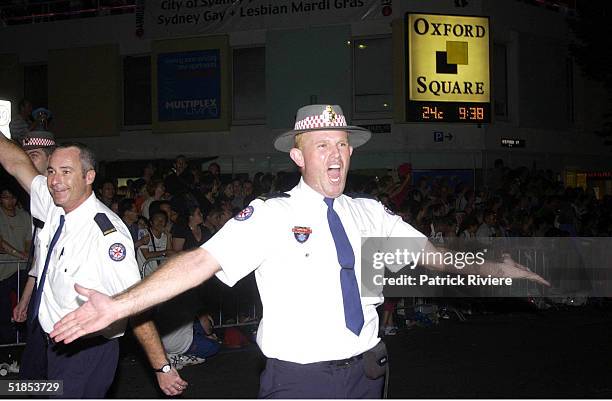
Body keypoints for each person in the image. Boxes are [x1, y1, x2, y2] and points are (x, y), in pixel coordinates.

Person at [49, 105, 549, 399]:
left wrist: (496, 266)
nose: (335, 154)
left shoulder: (370, 213)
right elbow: (198, 261)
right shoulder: (270, 215)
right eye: (322, 145)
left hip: (368, 370)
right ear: (298, 156)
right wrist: (120, 304)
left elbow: (432, 255)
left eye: (343, 145)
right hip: (300, 382)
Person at [0, 133, 187, 397]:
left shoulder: (106, 234)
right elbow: (16, 162)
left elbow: (133, 304)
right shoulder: (53, 204)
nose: (55, 180)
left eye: (66, 172)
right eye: (51, 171)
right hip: (47, 339)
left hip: (85, 351)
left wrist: (161, 366)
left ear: (89, 177)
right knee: (25, 390)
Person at [0, 186, 31, 343]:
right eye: (6, 197)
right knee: (3, 311)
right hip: (2, 271)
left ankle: (24, 341)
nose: (10, 201)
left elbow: (28, 241)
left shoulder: (24, 216)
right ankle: (7, 344)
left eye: (12, 197)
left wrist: (26, 256)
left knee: (25, 306)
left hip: (20, 270)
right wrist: (20, 255)